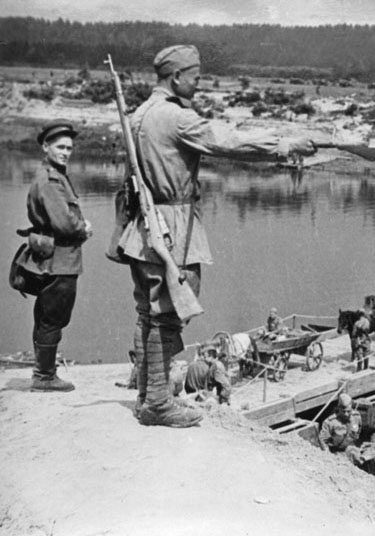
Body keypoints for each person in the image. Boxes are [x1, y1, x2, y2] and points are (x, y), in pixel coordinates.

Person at [107, 45, 316, 427]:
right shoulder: (176, 118)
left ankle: (148, 396)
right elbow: (227, 140)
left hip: (144, 229)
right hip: (172, 229)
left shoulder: (138, 115)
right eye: (195, 78)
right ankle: (157, 403)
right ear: (176, 77)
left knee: (148, 314)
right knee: (166, 316)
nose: (198, 85)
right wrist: (284, 144)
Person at [15, 120, 92, 392]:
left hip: (56, 258)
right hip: (59, 260)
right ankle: (45, 377)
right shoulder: (50, 180)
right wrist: (84, 229)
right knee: (52, 317)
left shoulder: (54, 175)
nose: (66, 152)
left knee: (48, 316)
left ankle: (44, 372)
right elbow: (65, 224)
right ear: (45, 147)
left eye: (69, 148)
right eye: (60, 147)